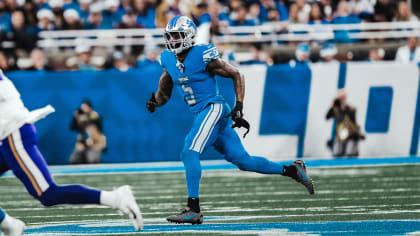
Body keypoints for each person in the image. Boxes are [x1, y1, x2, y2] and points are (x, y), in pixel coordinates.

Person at [146, 16, 315, 225]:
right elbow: (165, 90)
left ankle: (193, 209)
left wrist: (239, 107)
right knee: (245, 161)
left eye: (176, 35)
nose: (171, 40)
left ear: (188, 36)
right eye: (169, 35)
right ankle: (292, 170)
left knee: (189, 152)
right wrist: (155, 102)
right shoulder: (168, 59)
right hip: (206, 114)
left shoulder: (201, 54)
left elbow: (236, 74)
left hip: (213, 108)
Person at [0, 70, 143, 231]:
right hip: (8, 132)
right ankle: (9, 225)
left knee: (48, 194)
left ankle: (115, 198)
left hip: (12, 134)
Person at [326, 89, 363, 157]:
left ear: (345, 98)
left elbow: (353, 122)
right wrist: (332, 106)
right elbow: (327, 117)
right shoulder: (335, 109)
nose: (341, 100)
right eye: (340, 98)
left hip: (350, 135)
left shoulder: (351, 109)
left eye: (342, 97)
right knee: (337, 153)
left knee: (350, 153)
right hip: (340, 135)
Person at [69, 100, 105, 164]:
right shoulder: (80, 117)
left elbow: (97, 134)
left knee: (92, 159)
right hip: (83, 142)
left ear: (89, 108)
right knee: (74, 159)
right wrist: (77, 118)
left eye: (85, 107)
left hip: (95, 142)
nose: (83, 110)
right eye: (82, 108)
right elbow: (73, 128)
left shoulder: (94, 116)